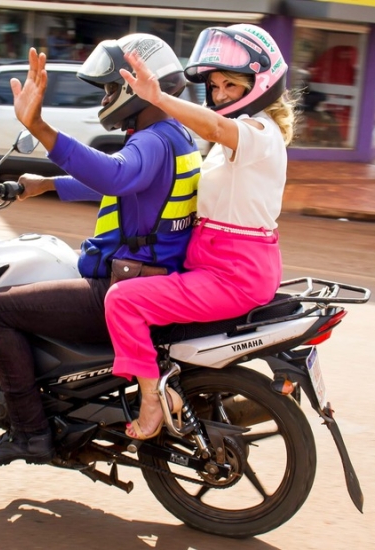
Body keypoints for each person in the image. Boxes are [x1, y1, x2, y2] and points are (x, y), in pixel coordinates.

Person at [0, 35, 203, 466]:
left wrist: (39, 128)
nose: (106, 97)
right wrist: (44, 184)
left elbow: (117, 176)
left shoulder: (151, 141)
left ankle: (30, 433)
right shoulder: (174, 135)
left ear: (136, 84)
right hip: (153, 277)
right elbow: (123, 182)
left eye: (110, 88)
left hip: (123, 287)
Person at [104, 23, 296, 439]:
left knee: (123, 301)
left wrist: (157, 98)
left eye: (231, 84)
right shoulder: (238, 138)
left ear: (260, 84)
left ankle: (152, 401)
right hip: (212, 264)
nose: (221, 93)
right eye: (215, 85)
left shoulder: (260, 134)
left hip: (233, 274)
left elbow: (212, 126)